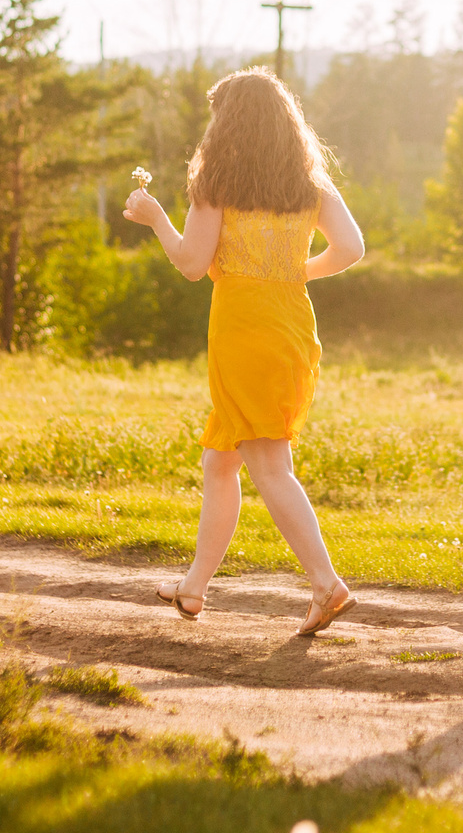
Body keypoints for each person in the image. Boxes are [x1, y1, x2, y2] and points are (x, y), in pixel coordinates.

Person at [125, 68, 367, 636]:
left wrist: (156, 216)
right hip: (290, 321)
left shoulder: (217, 182)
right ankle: (193, 588)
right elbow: (351, 248)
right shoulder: (310, 182)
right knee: (221, 460)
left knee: (268, 464)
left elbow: (189, 264)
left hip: (241, 327)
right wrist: (290, 273)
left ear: (227, 124)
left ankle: (327, 584)